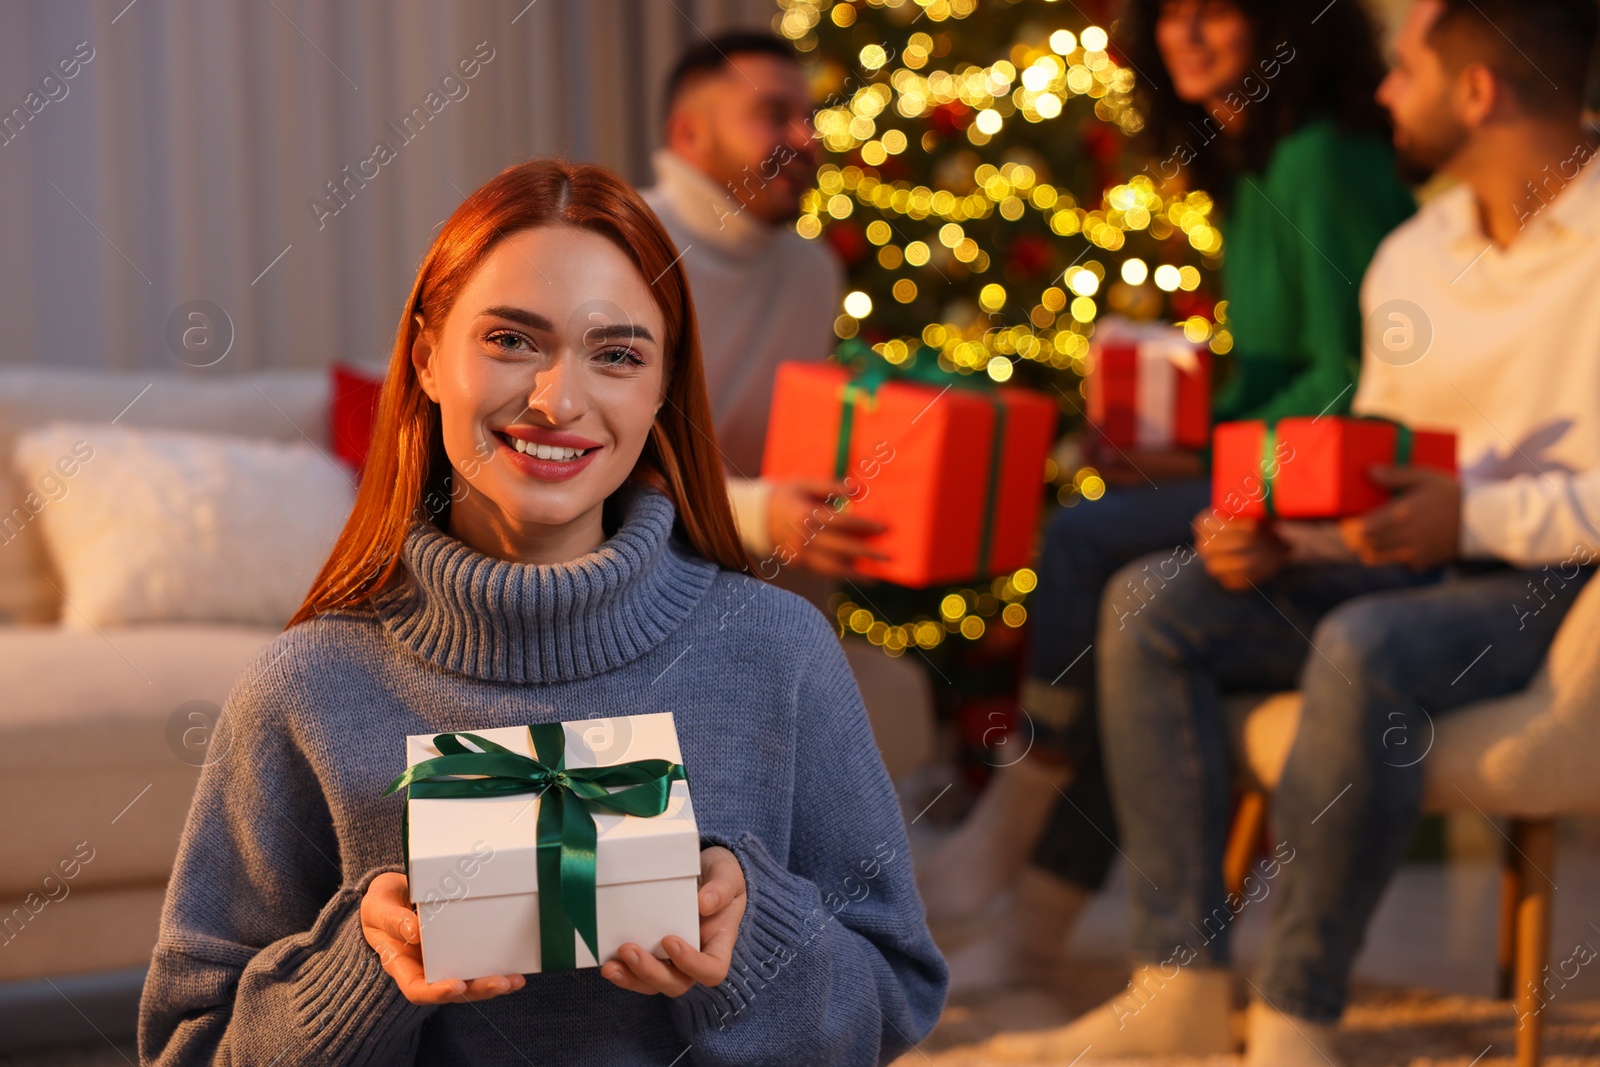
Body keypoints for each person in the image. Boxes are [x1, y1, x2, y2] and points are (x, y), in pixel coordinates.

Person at [137, 158, 948, 1066]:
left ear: (660, 390)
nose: (559, 401)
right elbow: (186, 1047)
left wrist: (755, 936)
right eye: (512, 340)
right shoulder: (307, 686)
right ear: (427, 357)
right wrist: (362, 969)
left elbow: (894, 1001)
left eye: (618, 355)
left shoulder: (778, 651)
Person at [985, 0, 1600, 1063]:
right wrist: (1292, 541)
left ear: (1476, 90)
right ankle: (1174, 990)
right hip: (1404, 561)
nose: (1380, 90)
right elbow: (1374, 458)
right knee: (1151, 600)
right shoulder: (1415, 253)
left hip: (1556, 589)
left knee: (1366, 650)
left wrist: (1476, 512)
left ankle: (1294, 1016)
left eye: (1403, 70)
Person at [919, 0, 1417, 995]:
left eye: (1215, 11)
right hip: (1277, 460)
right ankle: (1038, 931)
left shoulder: (1319, 158)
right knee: (1118, 602)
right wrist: (1186, 439)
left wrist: (1223, 463)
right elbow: (1279, 369)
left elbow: (1361, 380)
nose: (1186, 36)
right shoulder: (1253, 161)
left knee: (1084, 537)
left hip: (1344, 482)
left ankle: (1012, 825)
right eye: (1168, 15)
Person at [639, 31, 933, 779]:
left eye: (808, 117)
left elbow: (791, 442)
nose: (805, 139)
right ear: (688, 133)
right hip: (632, 594)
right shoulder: (624, 246)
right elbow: (591, 471)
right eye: (773, 115)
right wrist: (758, 513)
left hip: (765, 600)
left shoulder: (813, 271)